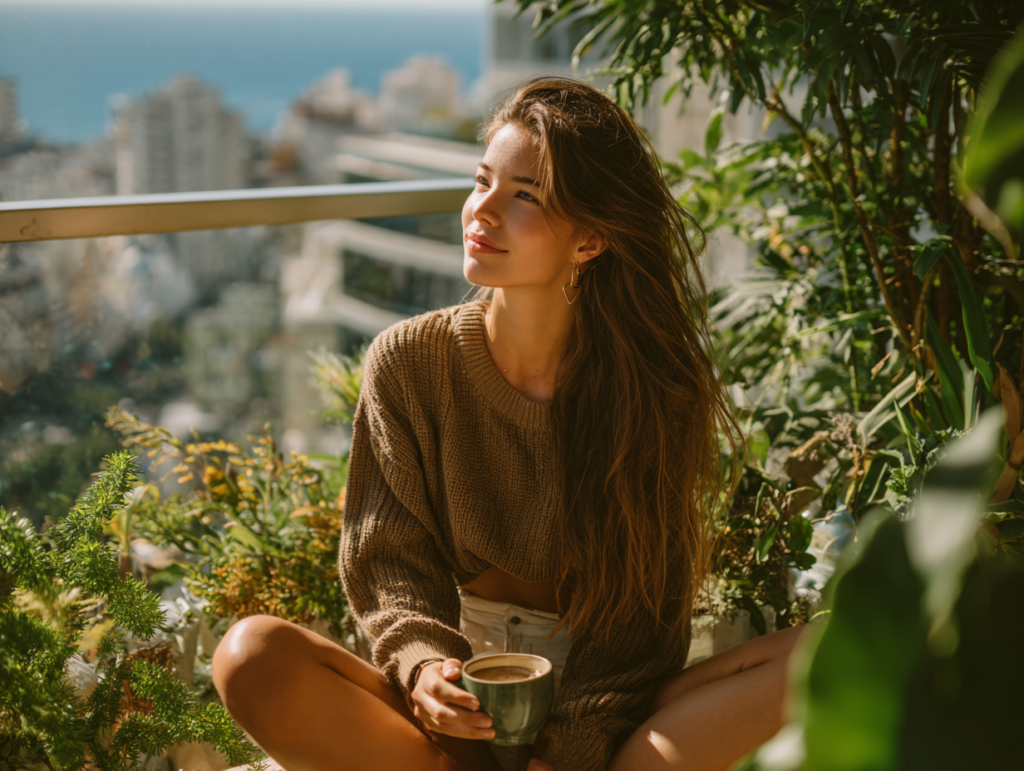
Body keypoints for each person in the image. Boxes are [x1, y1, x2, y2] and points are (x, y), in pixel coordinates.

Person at [212, 76, 806, 771]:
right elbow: (389, 563)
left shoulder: (654, 389)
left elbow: (644, 622)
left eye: (524, 196)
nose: (481, 212)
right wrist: (425, 670)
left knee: (825, 649)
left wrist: (572, 747)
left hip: (610, 702)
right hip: (461, 692)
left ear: (589, 239)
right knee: (249, 654)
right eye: (482, 181)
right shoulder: (407, 362)